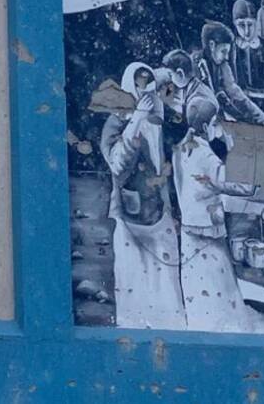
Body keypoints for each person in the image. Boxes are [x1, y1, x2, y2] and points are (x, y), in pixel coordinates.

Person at [100, 62, 186, 329]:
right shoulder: (116, 122)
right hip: (131, 215)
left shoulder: (160, 120)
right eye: (139, 82)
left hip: (160, 212)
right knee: (134, 282)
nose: (144, 88)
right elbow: (117, 164)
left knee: (167, 283)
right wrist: (136, 119)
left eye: (148, 82)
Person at [174, 97, 256, 332]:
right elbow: (243, 186)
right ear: (207, 125)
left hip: (190, 229)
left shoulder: (181, 148)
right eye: (215, 122)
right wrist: (236, 148)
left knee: (196, 291)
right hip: (208, 233)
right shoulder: (206, 156)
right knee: (218, 291)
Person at [197, 21, 264, 124]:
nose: (226, 57)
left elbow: (234, 92)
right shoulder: (196, 66)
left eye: (228, 52)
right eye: (223, 51)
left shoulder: (222, 64)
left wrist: (263, 119)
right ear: (212, 45)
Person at [229, 0, 264, 113]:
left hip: (262, 102)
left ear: (256, 22)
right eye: (241, 25)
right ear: (235, 24)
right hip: (239, 102)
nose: (246, 31)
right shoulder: (232, 48)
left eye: (250, 24)